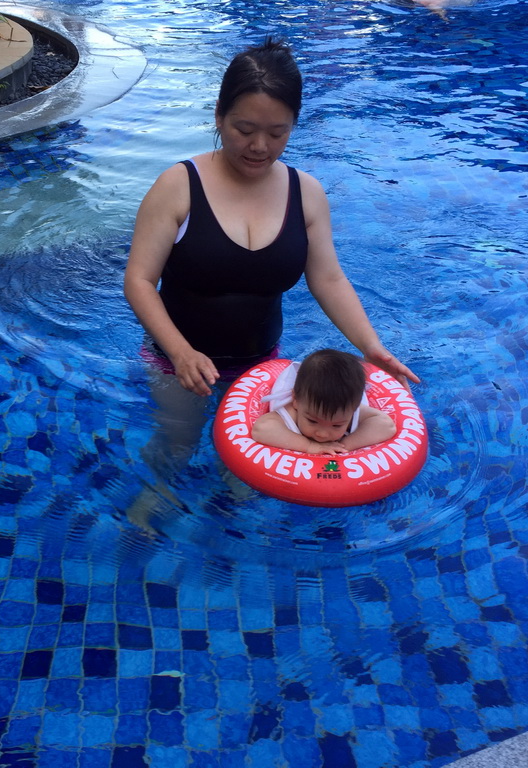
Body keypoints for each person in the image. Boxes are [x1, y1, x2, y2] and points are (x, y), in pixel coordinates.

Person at [122, 38, 419, 524]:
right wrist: (179, 352)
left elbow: (328, 279)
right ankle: (153, 503)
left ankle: (226, 544)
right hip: (175, 355)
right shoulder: (178, 185)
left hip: (262, 363)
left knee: (246, 484)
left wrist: (373, 347)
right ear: (219, 116)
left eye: (277, 133)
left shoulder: (306, 193)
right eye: (244, 129)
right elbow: (138, 280)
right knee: (177, 446)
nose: (259, 146)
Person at [252, 349, 395, 455]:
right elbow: (261, 429)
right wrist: (309, 446)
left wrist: (345, 445)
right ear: (296, 400)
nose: (323, 434)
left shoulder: (347, 408)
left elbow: (386, 425)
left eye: (337, 425)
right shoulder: (294, 409)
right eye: (313, 421)